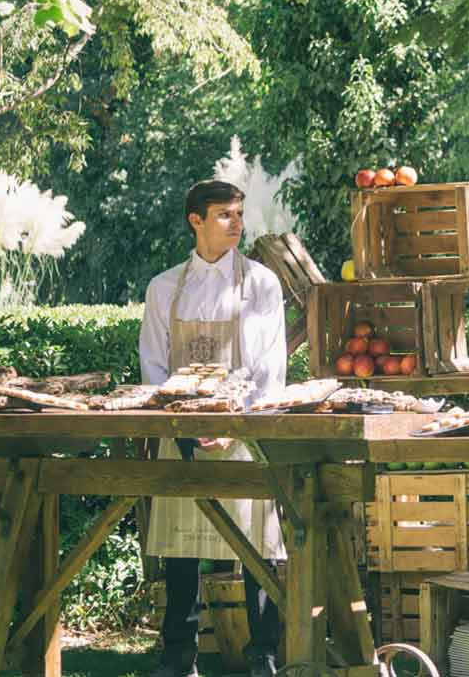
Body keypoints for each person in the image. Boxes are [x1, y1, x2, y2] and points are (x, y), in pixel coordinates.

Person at [138, 180, 288, 677]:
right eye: (224, 214)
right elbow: (153, 366)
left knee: (256, 546)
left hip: (242, 426)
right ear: (195, 221)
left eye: (240, 213)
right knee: (182, 547)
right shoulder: (163, 287)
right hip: (181, 428)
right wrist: (183, 423)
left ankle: (262, 654)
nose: (237, 223)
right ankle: (179, 655)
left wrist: (234, 426)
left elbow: (270, 368)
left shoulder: (263, 283)